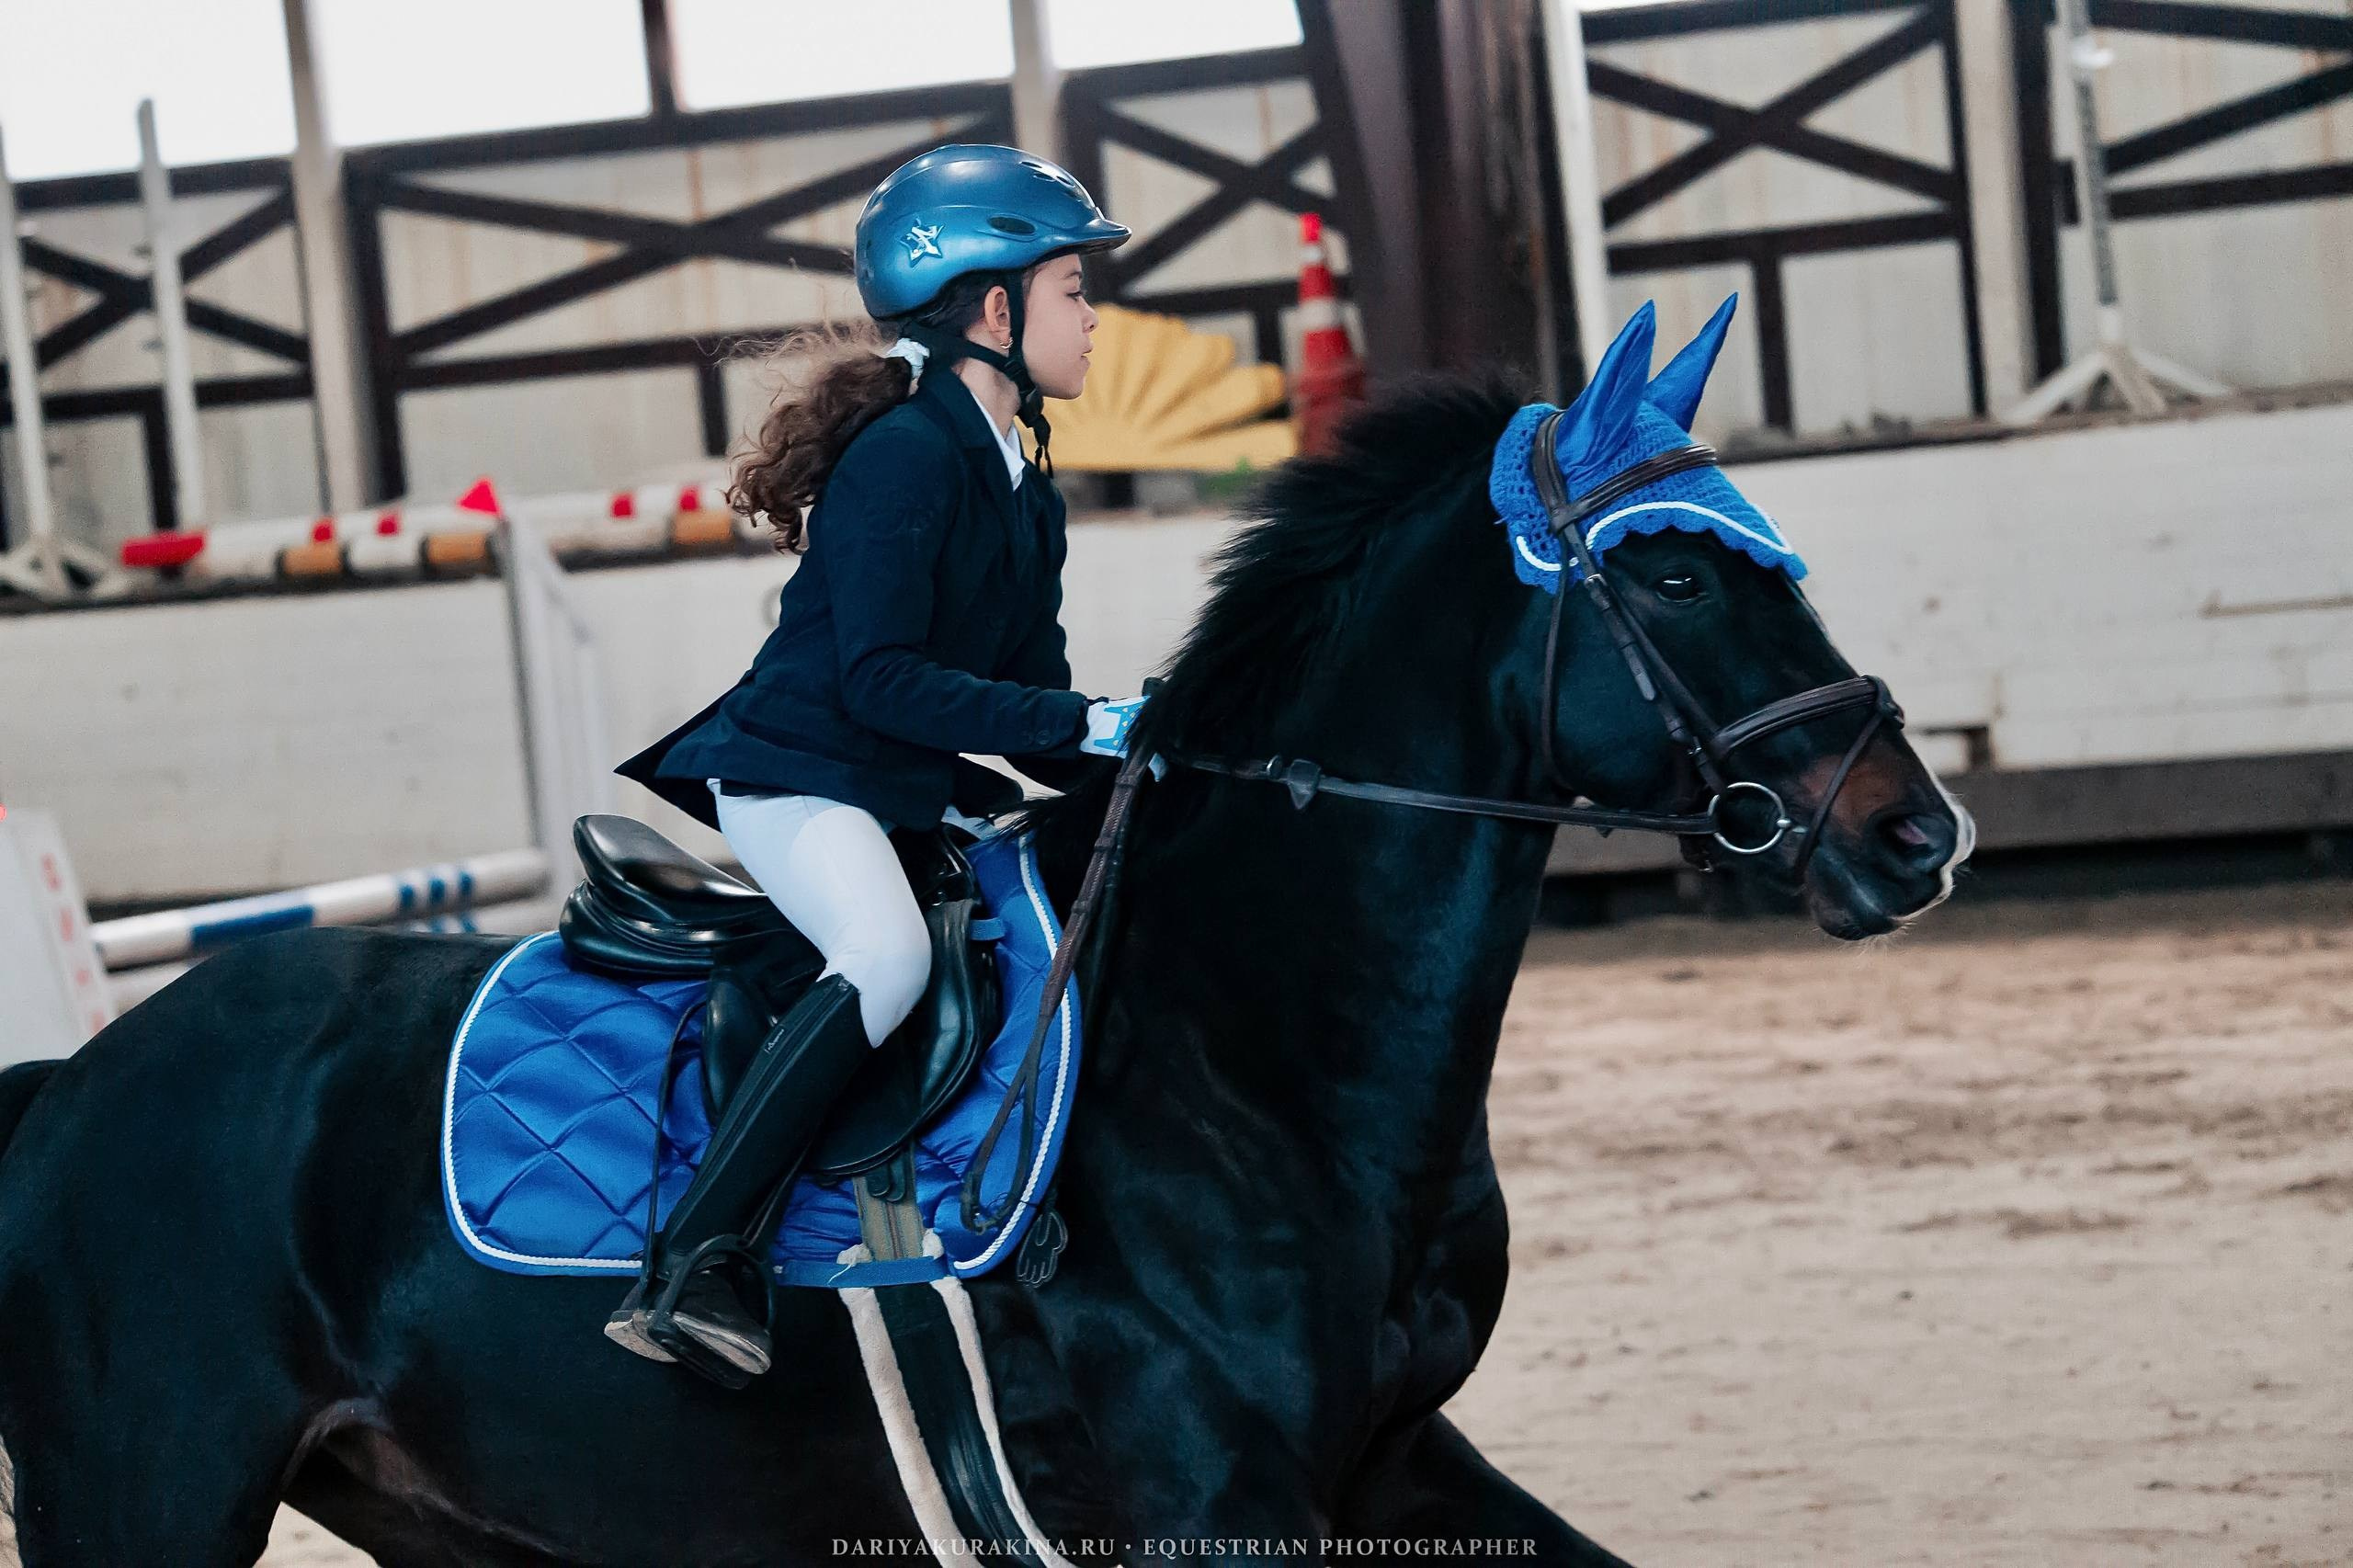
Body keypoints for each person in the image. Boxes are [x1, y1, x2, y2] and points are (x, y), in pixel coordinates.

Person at [607, 144, 1150, 1384]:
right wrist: (1083, 729)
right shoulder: (905, 456)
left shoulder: (1026, 484)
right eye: (1074, 290)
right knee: (889, 956)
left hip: (892, 777)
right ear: (992, 308)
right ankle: (695, 1260)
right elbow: (880, 680)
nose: (1093, 318)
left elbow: (1030, 704)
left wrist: (1151, 756)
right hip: (797, 771)